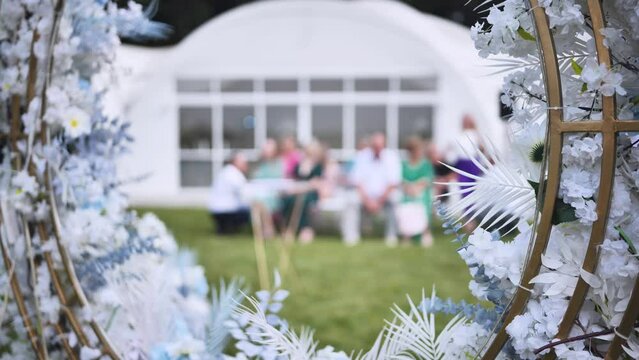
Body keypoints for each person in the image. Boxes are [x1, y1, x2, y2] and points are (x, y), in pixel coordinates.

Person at [343, 132, 401, 246]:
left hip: (384, 196)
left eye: (380, 146)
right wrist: (367, 200)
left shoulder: (392, 157)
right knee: (351, 200)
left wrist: (379, 201)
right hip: (365, 196)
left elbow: (393, 183)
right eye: (375, 146)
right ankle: (351, 236)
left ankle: (391, 236)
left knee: (395, 198)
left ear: (384, 145)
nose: (377, 149)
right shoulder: (362, 156)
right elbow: (357, 181)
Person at [281, 141, 325, 244]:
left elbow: (315, 184)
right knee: (288, 200)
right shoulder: (299, 165)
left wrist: (301, 188)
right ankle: (289, 228)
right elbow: (293, 180)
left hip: (310, 193)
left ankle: (305, 229)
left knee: (303, 201)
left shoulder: (318, 167)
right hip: (297, 192)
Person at [401, 137, 435, 247]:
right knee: (406, 204)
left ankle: (425, 232)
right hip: (407, 192)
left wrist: (417, 188)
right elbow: (401, 179)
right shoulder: (404, 164)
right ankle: (407, 235)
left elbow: (427, 179)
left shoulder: (426, 164)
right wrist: (409, 188)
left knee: (422, 202)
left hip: (422, 191)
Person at [207, 153, 250, 234]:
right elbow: (244, 192)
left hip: (216, 209)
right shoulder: (234, 174)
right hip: (226, 210)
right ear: (235, 162)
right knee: (250, 210)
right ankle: (229, 227)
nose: (246, 165)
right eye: (244, 163)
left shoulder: (225, 171)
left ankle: (225, 227)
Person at [251, 138, 284, 238]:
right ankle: (262, 229)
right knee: (257, 201)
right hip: (260, 193)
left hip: (274, 195)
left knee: (262, 202)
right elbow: (255, 179)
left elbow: (278, 181)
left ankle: (267, 228)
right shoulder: (260, 165)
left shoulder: (279, 164)